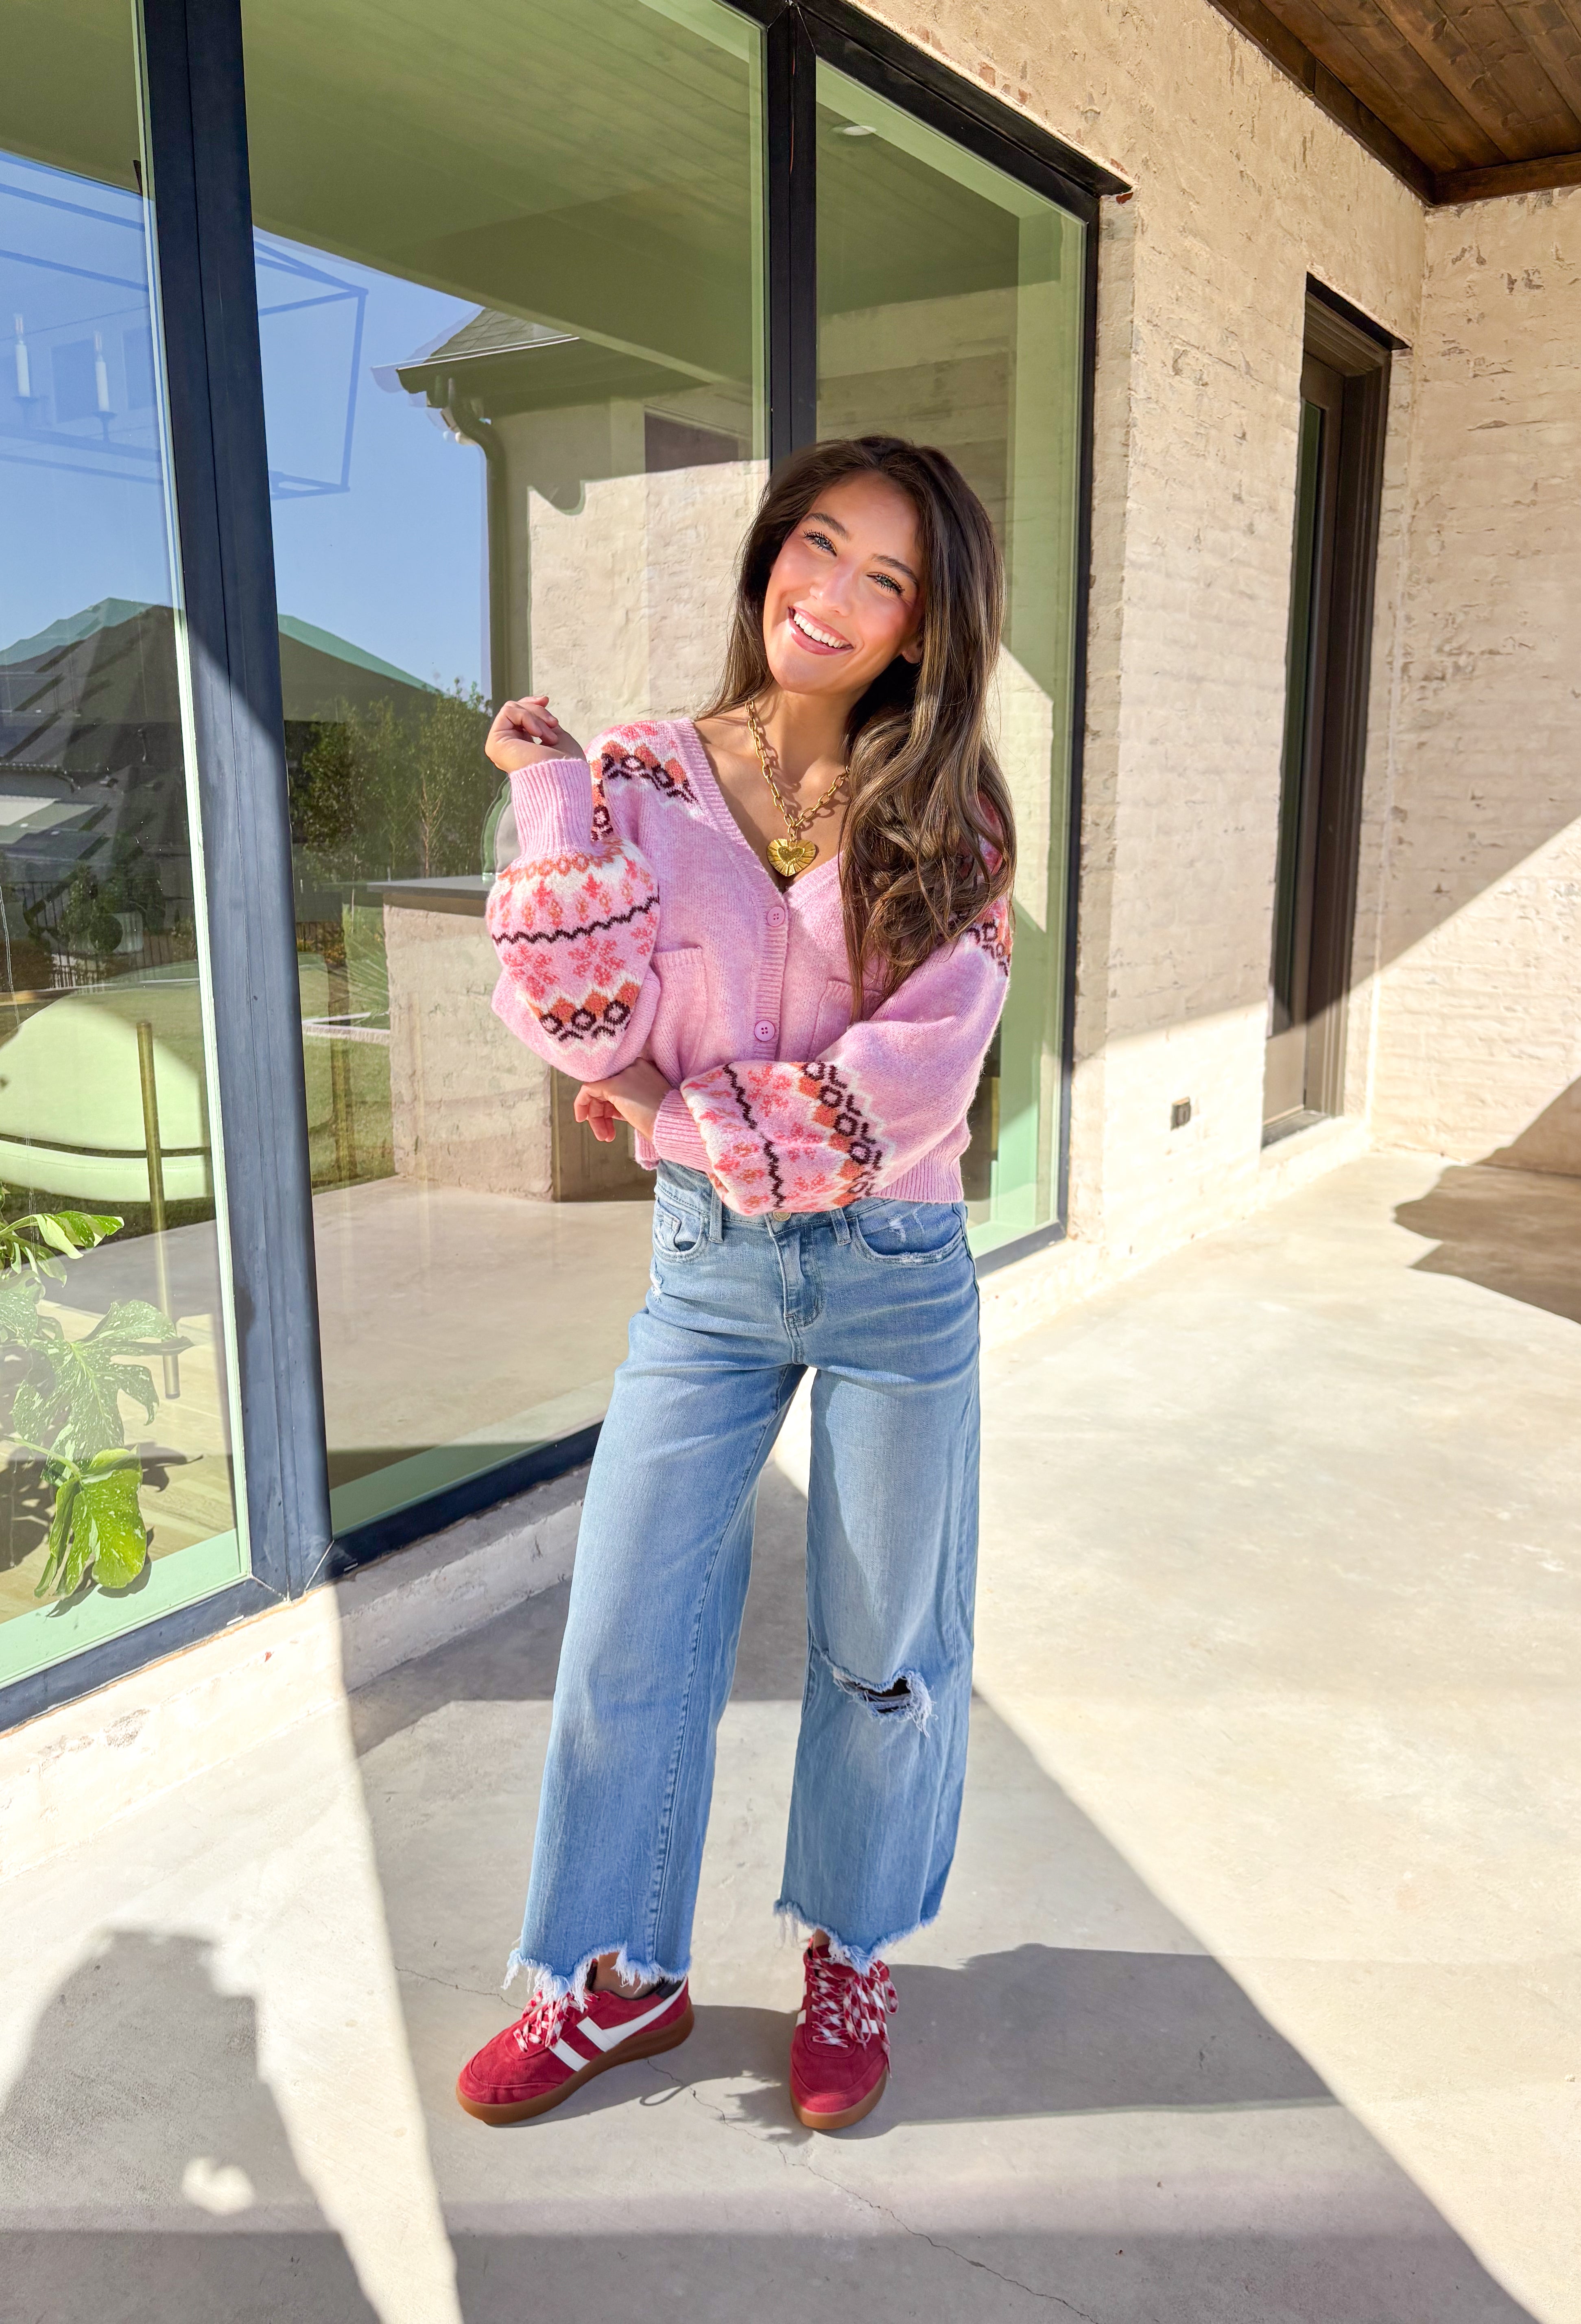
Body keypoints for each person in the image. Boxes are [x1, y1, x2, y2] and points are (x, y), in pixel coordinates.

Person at [455, 435, 1015, 2134]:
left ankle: (851, 1948)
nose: (830, 595)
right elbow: (580, 1023)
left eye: (885, 578)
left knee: (882, 1647)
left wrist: (677, 1115)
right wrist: (551, 801)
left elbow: (926, 1075)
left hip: (901, 1268)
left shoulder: (953, 812)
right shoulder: (634, 772)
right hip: (705, 1284)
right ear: (772, 552)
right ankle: (622, 1977)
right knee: (627, 1619)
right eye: (817, 547)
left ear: (922, 629)